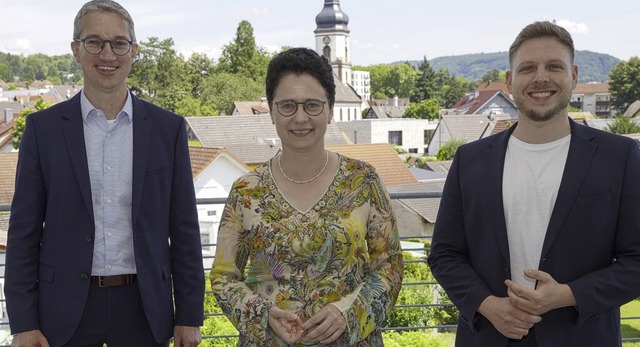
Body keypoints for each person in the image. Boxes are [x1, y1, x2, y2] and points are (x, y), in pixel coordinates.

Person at [427, 20, 640, 347]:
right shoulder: (469, 160)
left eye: (554, 66)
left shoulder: (620, 156)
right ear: (510, 81)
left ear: (574, 76)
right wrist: (489, 306)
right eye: (528, 68)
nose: (541, 77)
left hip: (582, 336)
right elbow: (444, 255)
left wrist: (568, 295)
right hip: (490, 336)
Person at [4, 1, 205, 346]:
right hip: (63, 312)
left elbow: (184, 230)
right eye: (94, 42)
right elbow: (23, 233)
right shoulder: (43, 129)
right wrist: (23, 323)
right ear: (76, 50)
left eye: (119, 43)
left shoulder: (167, 129)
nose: (107, 54)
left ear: (134, 51)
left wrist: (189, 316)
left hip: (144, 309)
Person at [210, 47, 404, 346]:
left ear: (330, 109)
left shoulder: (363, 181)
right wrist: (263, 314)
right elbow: (224, 276)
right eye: (287, 105)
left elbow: (389, 266)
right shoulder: (246, 191)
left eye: (312, 105)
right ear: (272, 111)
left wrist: (347, 313)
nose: (300, 117)